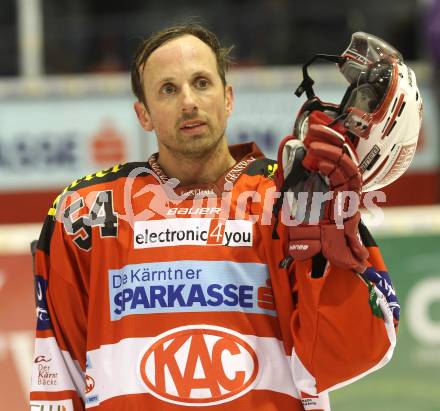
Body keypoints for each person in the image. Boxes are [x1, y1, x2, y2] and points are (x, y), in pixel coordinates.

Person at [30, 24, 401, 411]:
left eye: (202, 82)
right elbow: (57, 380)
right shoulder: (88, 213)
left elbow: (351, 356)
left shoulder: (295, 194)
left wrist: (328, 259)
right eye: (168, 89)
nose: (189, 101)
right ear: (144, 114)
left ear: (227, 98)